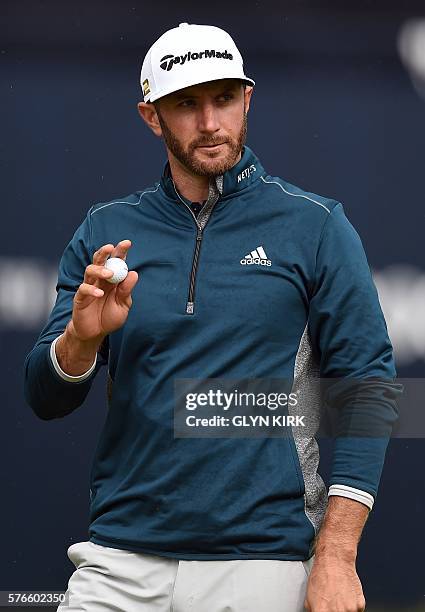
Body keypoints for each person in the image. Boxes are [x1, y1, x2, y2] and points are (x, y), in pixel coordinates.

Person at [24, 22, 400, 612]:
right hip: (119, 560)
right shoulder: (105, 231)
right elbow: (45, 398)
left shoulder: (316, 225)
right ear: (152, 116)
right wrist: (79, 341)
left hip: (264, 561)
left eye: (224, 99)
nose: (209, 123)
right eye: (186, 104)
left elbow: (369, 389)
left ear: (247, 99)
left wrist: (336, 556)